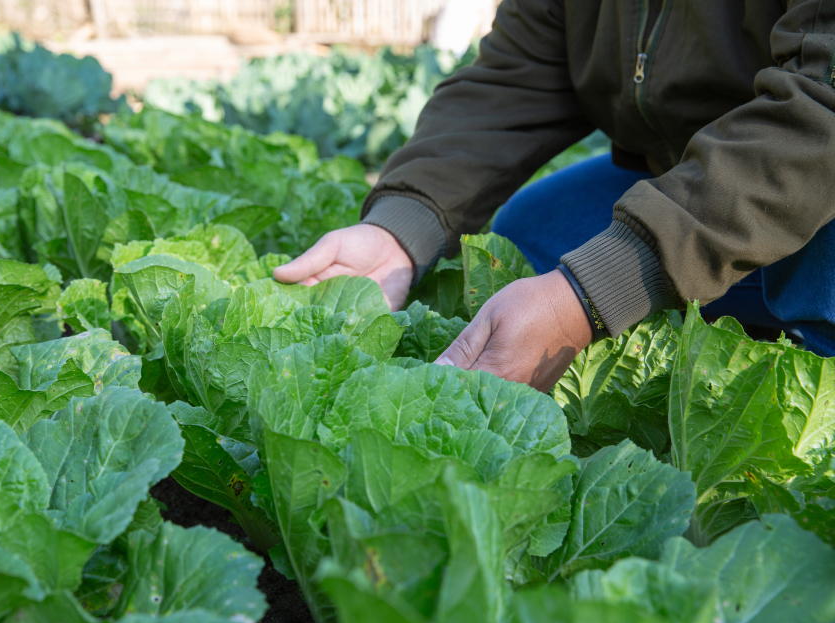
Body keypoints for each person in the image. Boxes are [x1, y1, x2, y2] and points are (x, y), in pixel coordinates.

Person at [274, 0, 835, 392]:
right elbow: (518, 73)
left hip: (813, 167)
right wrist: (402, 226)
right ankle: (734, 317)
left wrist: (595, 291)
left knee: (818, 263)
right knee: (530, 237)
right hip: (707, 172)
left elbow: (820, 111)